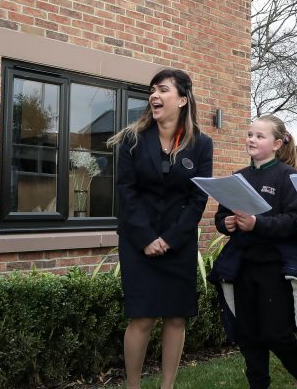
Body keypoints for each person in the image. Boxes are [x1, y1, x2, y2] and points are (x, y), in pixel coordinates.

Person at [110, 68, 213, 389]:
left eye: (163, 90)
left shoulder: (201, 144)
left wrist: (169, 239)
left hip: (177, 243)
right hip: (137, 242)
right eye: (152, 90)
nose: (154, 95)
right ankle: (133, 385)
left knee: (176, 317)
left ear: (182, 99)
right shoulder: (132, 140)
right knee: (141, 317)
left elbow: (198, 199)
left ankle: (167, 386)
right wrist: (146, 238)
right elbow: (126, 192)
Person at [210, 114, 297, 389]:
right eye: (250, 134)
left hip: (276, 268)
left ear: (277, 143)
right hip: (243, 266)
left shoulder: (288, 177)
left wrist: (257, 224)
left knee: (277, 335)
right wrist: (226, 223)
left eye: (260, 136)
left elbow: (296, 222)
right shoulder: (238, 177)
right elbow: (221, 215)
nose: (252, 139)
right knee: (248, 335)